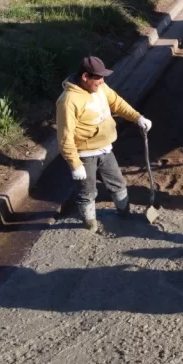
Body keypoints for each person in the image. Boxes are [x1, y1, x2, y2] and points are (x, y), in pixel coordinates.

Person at [56, 56, 152, 232]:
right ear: (85, 76)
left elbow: (117, 103)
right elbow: (65, 136)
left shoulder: (100, 88)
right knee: (87, 192)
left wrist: (138, 117)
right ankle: (90, 224)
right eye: (98, 78)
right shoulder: (68, 101)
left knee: (118, 183)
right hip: (85, 155)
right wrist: (75, 164)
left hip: (105, 150)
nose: (102, 81)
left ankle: (125, 213)